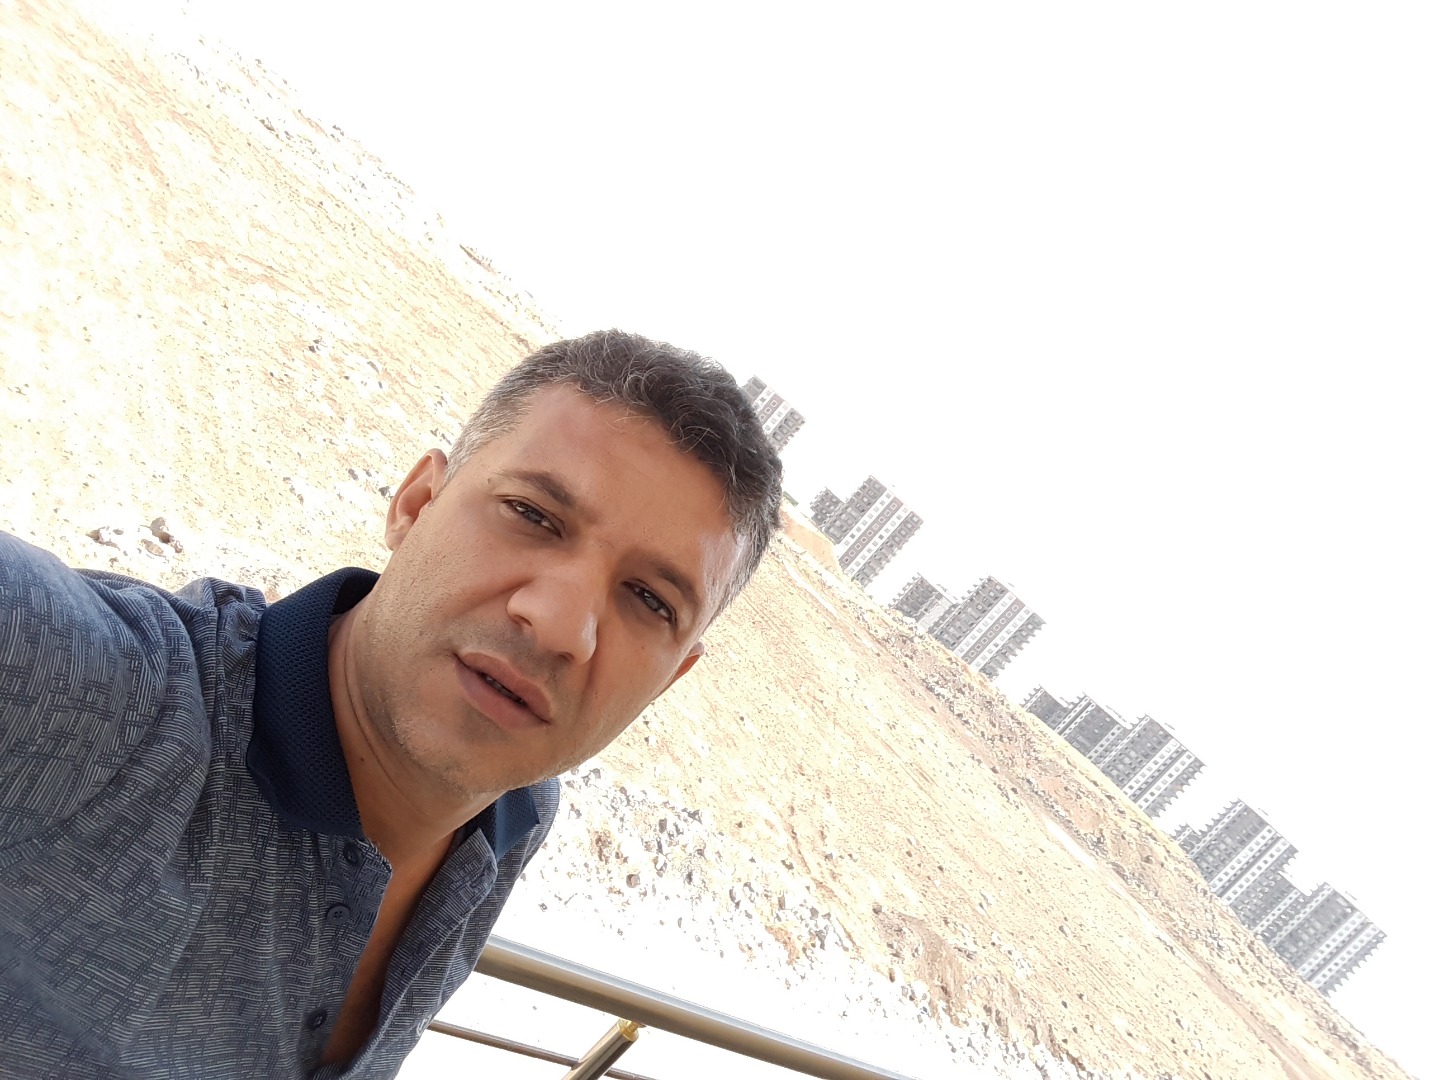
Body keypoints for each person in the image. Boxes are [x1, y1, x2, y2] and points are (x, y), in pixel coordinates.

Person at [0, 330, 784, 1079]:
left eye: (649, 600)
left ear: (670, 678)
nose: (558, 624)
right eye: (532, 515)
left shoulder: (507, 819)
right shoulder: (96, 690)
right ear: (415, 503)